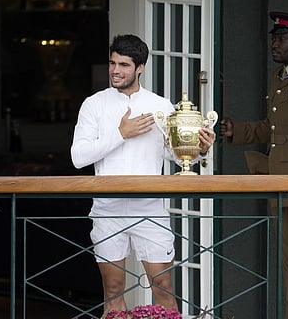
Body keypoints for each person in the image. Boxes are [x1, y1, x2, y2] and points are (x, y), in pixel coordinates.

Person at [70, 34, 216, 313]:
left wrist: (200, 150)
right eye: (112, 63)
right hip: (107, 209)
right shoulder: (94, 104)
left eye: (124, 65)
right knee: (112, 291)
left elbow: (176, 155)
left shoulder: (160, 105)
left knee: (164, 288)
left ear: (140, 68)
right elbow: (78, 158)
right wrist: (120, 134)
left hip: (150, 208)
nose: (115, 70)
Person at [219, 12, 288, 319]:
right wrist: (237, 131)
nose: (275, 44)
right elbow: (276, 128)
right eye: (273, 38)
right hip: (279, 183)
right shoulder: (280, 77)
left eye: (282, 38)